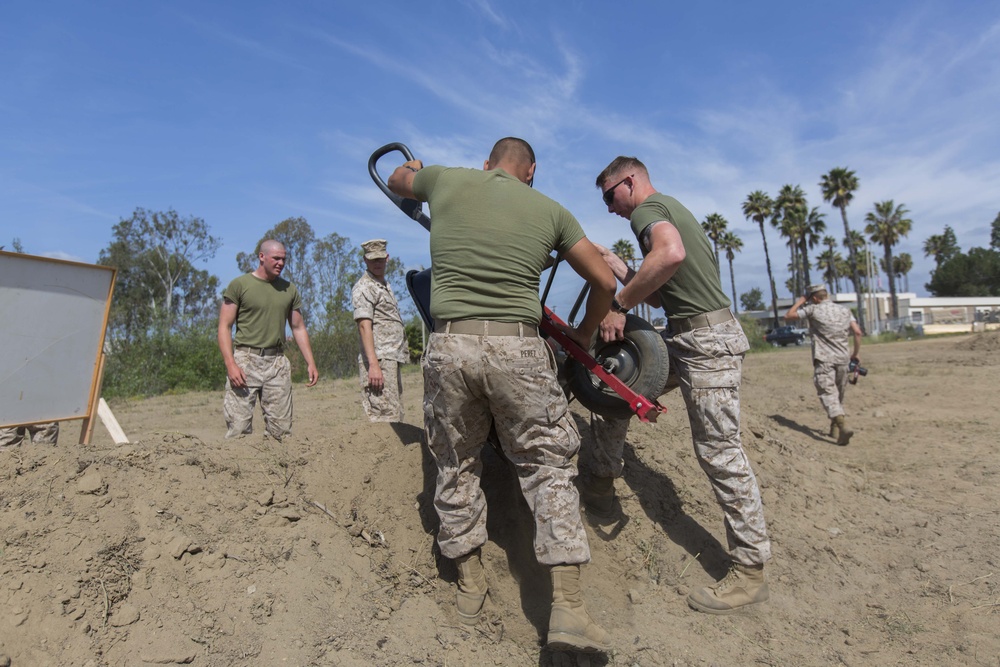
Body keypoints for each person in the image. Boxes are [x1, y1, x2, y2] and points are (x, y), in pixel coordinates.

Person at [387, 137, 617, 653]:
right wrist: (583, 334)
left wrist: (416, 169)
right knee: (547, 464)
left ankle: (470, 584)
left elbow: (399, 180)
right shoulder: (551, 210)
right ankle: (569, 607)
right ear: (531, 171)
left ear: (488, 163)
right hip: (518, 347)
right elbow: (603, 280)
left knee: (455, 458)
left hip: (449, 345)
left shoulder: (448, 179)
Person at [592, 156, 771, 615]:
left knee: (719, 452)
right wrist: (619, 267)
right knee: (620, 388)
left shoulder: (649, 211)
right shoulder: (669, 209)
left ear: (630, 183)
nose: (611, 207)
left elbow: (670, 254)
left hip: (706, 342)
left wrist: (618, 304)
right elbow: (659, 290)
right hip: (688, 335)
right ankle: (599, 482)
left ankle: (750, 572)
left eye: (611, 196)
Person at [217, 239, 318, 440]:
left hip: (277, 363)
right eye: (276, 258)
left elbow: (298, 327)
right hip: (245, 361)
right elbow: (224, 326)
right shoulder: (240, 285)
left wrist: (311, 362)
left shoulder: (289, 289)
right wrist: (231, 364)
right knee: (238, 430)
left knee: (280, 432)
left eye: (284, 259)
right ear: (262, 257)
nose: (281, 263)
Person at [784, 284, 863, 445]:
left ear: (813, 298)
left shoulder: (813, 310)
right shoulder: (845, 311)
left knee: (828, 394)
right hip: (843, 359)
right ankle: (834, 430)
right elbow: (857, 332)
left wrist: (800, 301)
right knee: (838, 395)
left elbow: (789, 316)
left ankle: (842, 425)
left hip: (824, 359)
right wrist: (855, 353)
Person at [352, 238, 409, 422]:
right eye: (372, 260)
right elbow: (363, 326)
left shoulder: (383, 285)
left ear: (387, 258)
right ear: (365, 260)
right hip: (379, 360)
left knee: (394, 414)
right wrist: (374, 365)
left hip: (390, 359)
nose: (377, 263)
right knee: (384, 418)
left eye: (380, 259)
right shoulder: (364, 287)